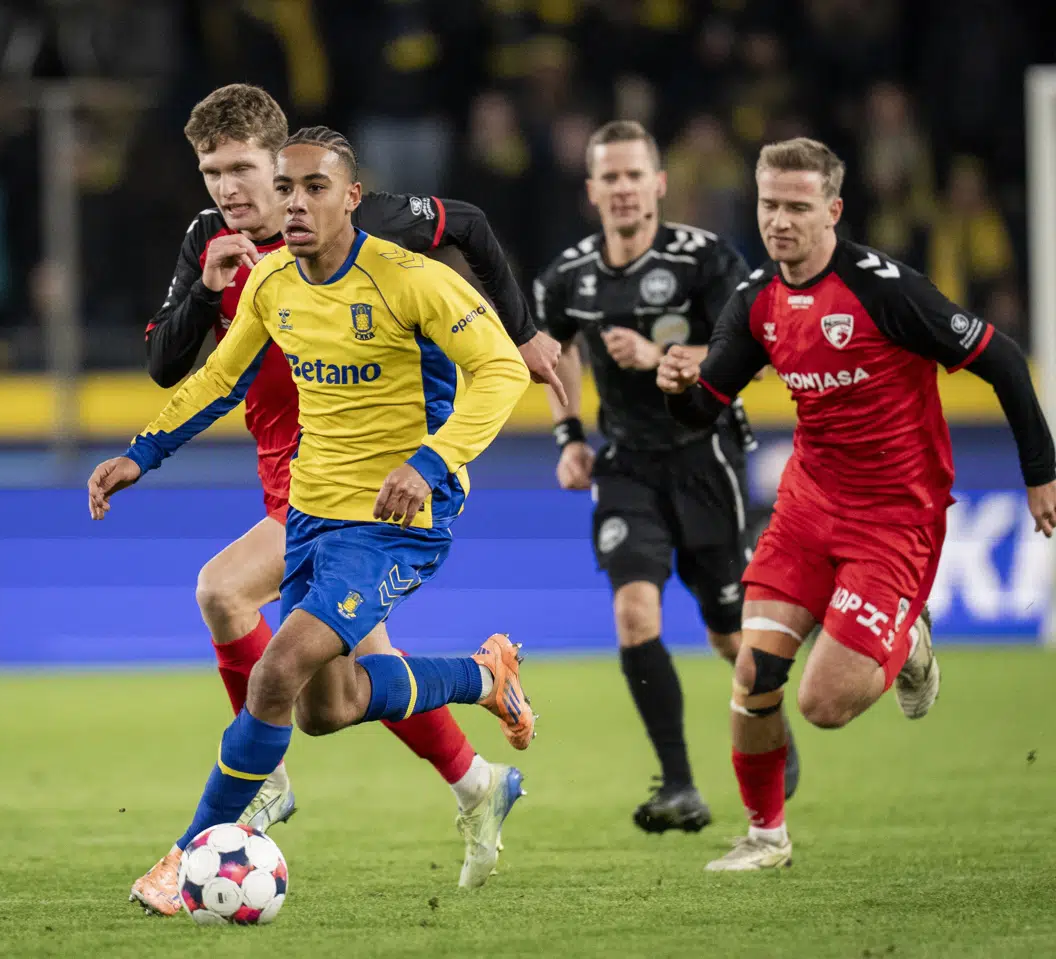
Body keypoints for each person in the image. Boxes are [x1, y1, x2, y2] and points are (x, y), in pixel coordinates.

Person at [91, 127, 536, 913]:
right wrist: (142, 452)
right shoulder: (272, 284)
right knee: (328, 707)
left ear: (353, 197)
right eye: (287, 189)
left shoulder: (409, 279)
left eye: (314, 188)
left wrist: (430, 462)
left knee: (274, 670)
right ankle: (481, 676)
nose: (296, 204)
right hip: (309, 514)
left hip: (398, 518)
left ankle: (185, 856)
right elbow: (216, 377)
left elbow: (499, 370)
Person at [657, 137, 1056, 871]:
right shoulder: (756, 303)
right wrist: (679, 384)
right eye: (769, 204)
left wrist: (1043, 471)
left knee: (823, 704)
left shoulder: (886, 290)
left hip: (895, 516)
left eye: (797, 207)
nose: (779, 220)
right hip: (808, 505)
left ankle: (910, 642)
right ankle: (766, 835)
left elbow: (1001, 359)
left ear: (833, 210)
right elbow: (705, 406)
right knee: (754, 674)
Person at [532, 120, 798, 834]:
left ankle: (769, 725)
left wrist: (662, 356)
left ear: (658, 183)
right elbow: (553, 354)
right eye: (608, 178)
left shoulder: (704, 259)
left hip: (705, 456)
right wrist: (569, 437)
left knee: (729, 635)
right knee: (633, 612)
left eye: (632, 175)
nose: (621, 189)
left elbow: (755, 346)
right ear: (592, 191)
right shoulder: (568, 277)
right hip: (626, 467)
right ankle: (679, 784)